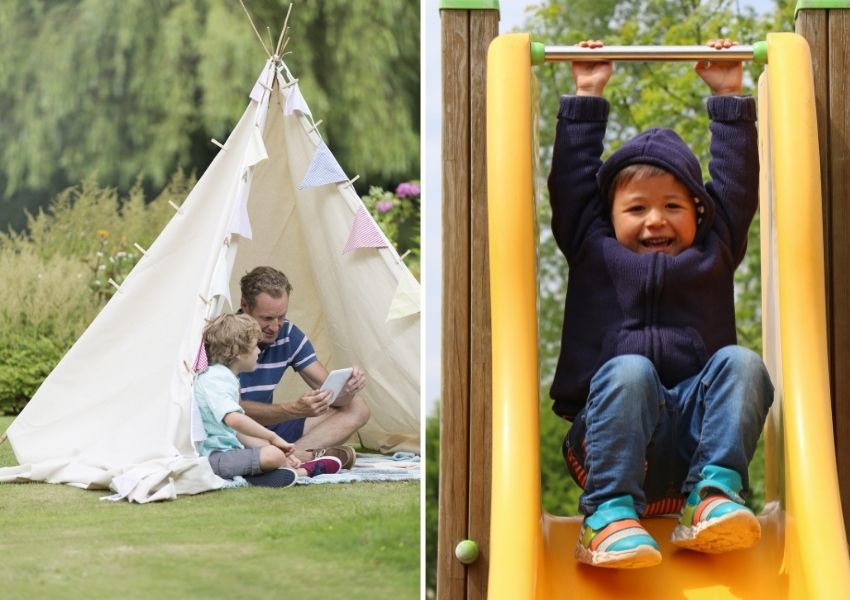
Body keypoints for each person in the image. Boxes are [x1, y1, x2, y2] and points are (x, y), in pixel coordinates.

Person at [548, 39, 774, 569]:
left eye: (674, 205)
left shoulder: (714, 251)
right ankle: (606, 515)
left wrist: (728, 96)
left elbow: (737, 188)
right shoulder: (591, 245)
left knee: (742, 363)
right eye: (637, 207)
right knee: (630, 370)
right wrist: (587, 93)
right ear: (609, 215)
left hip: (695, 438)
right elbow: (572, 186)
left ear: (700, 213)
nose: (655, 220)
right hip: (610, 435)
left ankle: (712, 497)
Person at [236, 266, 371, 467]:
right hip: (237, 432)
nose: (275, 327)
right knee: (234, 426)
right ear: (245, 306)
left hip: (270, 431)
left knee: (357, 407)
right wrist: (292, 409)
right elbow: (230, 411)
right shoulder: (225, 337)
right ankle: (294, 457)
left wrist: (347, 390)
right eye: (266, 318)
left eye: (281, 317)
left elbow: (330, 394)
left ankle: (292, 457)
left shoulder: (288, 334)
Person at [195, 313, 342, 488]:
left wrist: (277, 449)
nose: (259, 351)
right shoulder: (217, 378)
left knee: (274, 453)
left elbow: (239, 433)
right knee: (273, 455)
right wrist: (272, 437)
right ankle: (304, 471)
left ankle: (275, 473)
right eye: (255, 346)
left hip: (227, 455)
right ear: (238, 353)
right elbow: (234, 419)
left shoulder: (224, 377)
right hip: (214, 458)